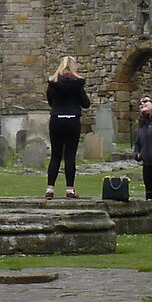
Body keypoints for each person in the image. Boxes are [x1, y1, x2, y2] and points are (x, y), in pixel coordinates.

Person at [44, 57, 92, 201]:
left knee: (56, 155)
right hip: (72, 120)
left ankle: (50, 189)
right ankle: (70, 189)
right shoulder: (77, 84)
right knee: (70, 156)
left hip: (57, 119)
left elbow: (51, 102)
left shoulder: (53, 83)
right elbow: (86, 103)